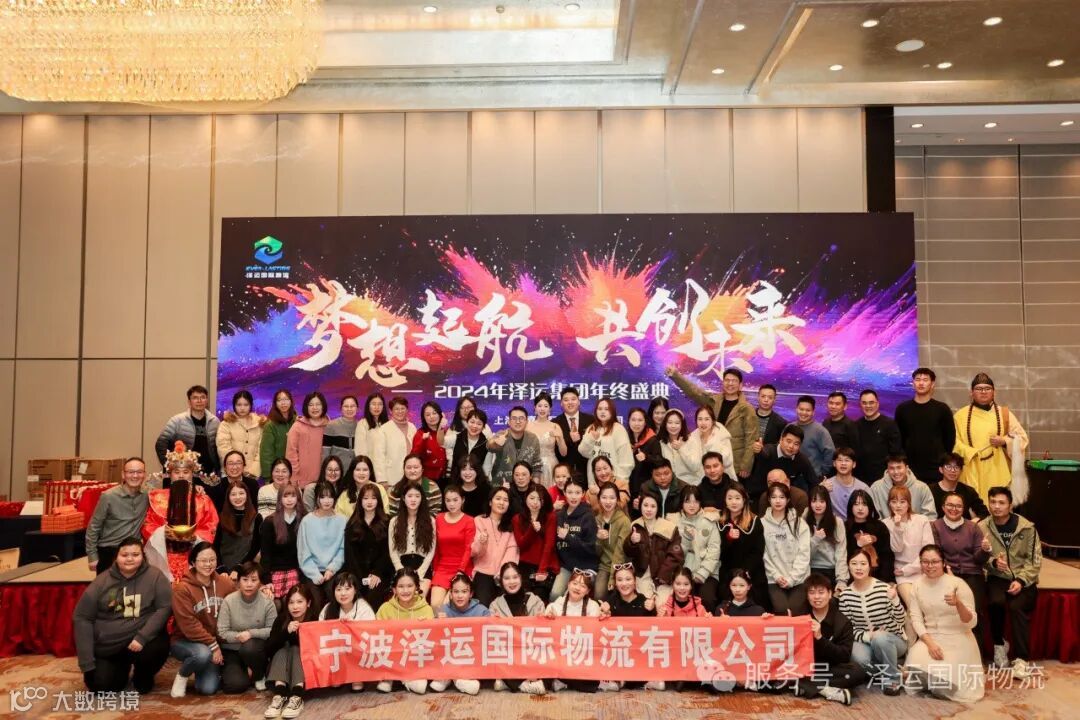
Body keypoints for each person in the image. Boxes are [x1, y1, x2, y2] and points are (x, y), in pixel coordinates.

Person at [74, 537, 172, 694]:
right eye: (124, 555)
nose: (130, 559)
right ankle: (121, 668)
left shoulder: (155, 577)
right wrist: (86, 661)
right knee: (101, 686)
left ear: (143, 556)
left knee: (157, 645)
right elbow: (82, 617)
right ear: (116, 557)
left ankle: (143, 675)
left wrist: (142, 637)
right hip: (110, 645)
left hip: (140, 642)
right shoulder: (101, 581)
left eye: (135, 554)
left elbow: (165, 607)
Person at [904, 544, 985, 704]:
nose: (930, 566)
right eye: (925, 562)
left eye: (934, 561)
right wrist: (930, 644)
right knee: (915, 661)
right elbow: (916, 619)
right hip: (931, 638)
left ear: (943, 563)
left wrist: (958, 604)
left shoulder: (958, 584)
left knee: (947, 682)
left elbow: (971, 622)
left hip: (958, 637)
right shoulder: (917, 585)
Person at [980, 485, 1041, 677]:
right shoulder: (982, 527)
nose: (996, 506)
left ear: (1010, 505)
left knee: (1017, 607)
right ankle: (999, 645)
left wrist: (1021, 581)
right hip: (998, 577)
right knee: (995, 602)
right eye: (993, 502)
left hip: (1024, 578)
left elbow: (1035, 561)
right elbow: (979, 559)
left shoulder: (1027, 528)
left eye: (1001, 502)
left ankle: (1022, 659)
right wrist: (993, 562)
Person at [142, 441, 220, 583]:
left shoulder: (202, 499)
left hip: (192, 555)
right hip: (165, 555)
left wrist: (194, 536)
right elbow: (149, 524)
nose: (181, 476)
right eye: (176, 472)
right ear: (170, 474)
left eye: (186, 472)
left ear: (192, 474)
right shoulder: (157, 497)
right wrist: (163, 532)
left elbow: (211, 525)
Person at [666, 365, 759, 480]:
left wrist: (746, 465)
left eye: (734, 381)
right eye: (727, 380)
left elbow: (751, 439)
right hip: (711, 462)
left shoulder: (746, 409)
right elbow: (695, 392)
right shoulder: (714, 401)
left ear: (740, 385)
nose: (730, 383)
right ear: (723, 382)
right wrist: (676, 376)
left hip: (734, 463)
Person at [837, 549, 908, 696]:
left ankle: (892, 680)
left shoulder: (884, 588)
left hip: (893, 640)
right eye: (854, 563)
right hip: (865, 642)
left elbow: (901, 620)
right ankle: (896, 669)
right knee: (856, 656)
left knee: (880, 638)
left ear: (870, 566)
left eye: (863, 564)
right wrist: (867, 636)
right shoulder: (845, 596)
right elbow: (847, 629)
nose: (858, 568)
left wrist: (895, 600)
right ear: (848, 566)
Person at [170, 542, 236, 697]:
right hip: (186, 641)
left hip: (213, 642)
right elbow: (189, 625)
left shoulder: (225, 583)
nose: (208, 564)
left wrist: (263, 588)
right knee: (202, 654)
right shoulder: (182, 589)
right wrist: (213, 646)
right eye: (203, 560)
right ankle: (182, 676)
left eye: (212, 560)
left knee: (208, 689)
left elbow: (240, 599)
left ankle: (213, 669)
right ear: (193, 562)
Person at [933, 490, 992, 660]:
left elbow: (978, 559)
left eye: (958, 506)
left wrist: (985, 550)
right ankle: (949, 656)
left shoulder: (973, 527)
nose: (954, 509)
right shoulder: (935, 526)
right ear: (943, 507)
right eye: (950, 505)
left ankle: (976, 657)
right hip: (945, 574)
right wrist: (946, 570)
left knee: (973, 613)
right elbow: (936, 553)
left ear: (963, 508)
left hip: (972, 573)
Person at [954, 374, 1029, 503]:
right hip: (971, 470)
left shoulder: (1004, 414)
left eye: (987, 388)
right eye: (979, 389)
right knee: (973, 505)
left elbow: (1022, 438)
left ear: (994, 392)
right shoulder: (960, 415)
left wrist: (1004, 441)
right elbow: (953, 442)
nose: (983, 392)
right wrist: (970, 452)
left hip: (998, 470)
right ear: (971, 393)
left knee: (997, 504)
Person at [793, 573, 866, 705]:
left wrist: (820, 638)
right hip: (804, 666)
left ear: (830, 593)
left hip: (829, 667)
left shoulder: (842, 621)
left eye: (821, 592)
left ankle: (807, 686)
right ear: (807, 596)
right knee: (784, 670)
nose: (816, 597)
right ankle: (827, 690)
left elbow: (844, 656)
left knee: (858, 672)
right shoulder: (800, 615)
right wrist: (768, 621)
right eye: (812, 592)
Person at [489, 561, 548, 695]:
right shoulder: (495, 605)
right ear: (501, 581)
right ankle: (523, 685)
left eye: (515, 577)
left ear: (521, 578)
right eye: (507, 578)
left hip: (529, 653)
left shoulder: (536, 602)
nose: (512, 582)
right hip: (508, 655)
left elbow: (542, 636)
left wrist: (543, 620)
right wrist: (494, 622)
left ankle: (508, 682)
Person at [218, 561, 277, 694]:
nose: (249, 584)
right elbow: (222, 632)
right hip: (232, 650)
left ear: (260, 582)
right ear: (238, 581)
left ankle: (259, 675)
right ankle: (244, 671)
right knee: (235, 686)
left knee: (249, 647)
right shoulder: (229, 601)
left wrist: (251, 633)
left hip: (255, 650)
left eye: (254, 580)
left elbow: (272, 630)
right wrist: (238, 637)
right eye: (245, 580)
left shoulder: (267, 602)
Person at [375, 568, 434, 695]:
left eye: (410, 586)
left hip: (415, 661)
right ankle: (390, 677)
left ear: (417, 587)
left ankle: (404, 678)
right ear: (394, 589)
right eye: (401, 586)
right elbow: (375, 635)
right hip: (390, 661)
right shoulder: (385, 608)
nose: (405, 590)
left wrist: (425, 626)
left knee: (421, 687)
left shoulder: (426, 609)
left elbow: (432, 640)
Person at [87, 457, 150, 574]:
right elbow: (94, 527)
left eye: (139, 472)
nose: (135, 476)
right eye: (131, 472)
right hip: (109, 551)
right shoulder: (108, 496)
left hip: (134, 551)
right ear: (123, 475)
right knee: (108, 585)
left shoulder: (147, 495)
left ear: (144, 475)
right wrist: (92, 556)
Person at [264, 584, 317, 718]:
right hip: (280, 671)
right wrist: (286, 632)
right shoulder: (281, 619)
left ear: (308, 603)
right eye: (291, 602)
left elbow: (317, 650)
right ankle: (279, 695)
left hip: (305, 672)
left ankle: (297, 697)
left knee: (295, 649)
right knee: (283, 649)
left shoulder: (314, 619)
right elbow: (269, 649)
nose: (295, 606)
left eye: (300, 602)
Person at [544, 569, 601, 694]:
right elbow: (547, 627)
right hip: (562, 655)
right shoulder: (557, 604)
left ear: (588, 591)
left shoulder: (593, 606)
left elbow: (594, 633)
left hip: (582, 655)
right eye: (574, 583)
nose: (577, 588)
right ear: (568, 584)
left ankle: (563, 681)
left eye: (583, 586)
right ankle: (565, 680)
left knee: (591, 684)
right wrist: (549, 618)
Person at [317, 572, 375, 694]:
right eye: (339, 589)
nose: (343, 593)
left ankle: (357, 676)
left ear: (355, 590)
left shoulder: (363, 607)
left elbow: (371, 632)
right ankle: (337, 673)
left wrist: (351, 627)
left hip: (357, 650)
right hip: (336, 652)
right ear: (333, 592)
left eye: (347, 589)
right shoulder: (328, 609)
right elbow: (320, 632)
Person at [623, 491, 684, 609]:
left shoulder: (669, 527)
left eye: (653, 506)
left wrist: (663, 576)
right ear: (640, 506)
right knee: (645, 605)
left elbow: (676, 555)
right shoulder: (635, 525)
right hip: (643, 575)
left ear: (658, 508)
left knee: (662, 606)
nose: (649, 509)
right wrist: (632, 542)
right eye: (645, 505)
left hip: (664, 576)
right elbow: (628, 553)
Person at [895, 368, 956, 483]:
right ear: (913, 383)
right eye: (918, 379)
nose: (921, 383)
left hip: (936, 469)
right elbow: (899, 438)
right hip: (909, 468)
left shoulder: (942, 409)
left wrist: (943, 461)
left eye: (925, 380)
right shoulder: (902, 409)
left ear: (932, 384)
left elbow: (949, 439)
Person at [430, 573, 485, 695]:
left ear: (471, 593)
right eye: (456, 592)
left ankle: (454, 678)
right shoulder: (443, 610)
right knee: (436, 685)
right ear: (450, 594)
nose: (460, 596)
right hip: (448, 659)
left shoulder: (481, 610)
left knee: (473, 687)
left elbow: (490, 634)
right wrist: (437, 623)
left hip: (471, 659)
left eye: (464, 591)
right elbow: (433, 639)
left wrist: (496, 619)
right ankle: (452, 677)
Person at [761, 482, 811, 615]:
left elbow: (804, 553)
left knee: (796, 610)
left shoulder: (799, 523)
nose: (778, 501)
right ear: (769, 499)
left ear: (788, 499)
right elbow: (764, 554)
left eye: (782, 497)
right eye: (774, 497)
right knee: (781, 610)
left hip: (799, 578)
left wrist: (792, 578)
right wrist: (776, 576)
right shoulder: (762, 524)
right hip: (774, 578)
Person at [717, 483, 768, 610]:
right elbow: (718, 552)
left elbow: (758, 551)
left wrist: (745, 572)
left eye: (737, 498)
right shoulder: (720, 521)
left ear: (744, 500)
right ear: (725, 501)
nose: (733, 502)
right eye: (730, 498)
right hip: (728, 573)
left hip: (751, 572)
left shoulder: (754, 521)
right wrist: (728, 539)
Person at [885, 485, 934, 613]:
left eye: (902, 501)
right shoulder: (886, 523)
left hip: (923, 570)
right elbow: (897, 549)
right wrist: (897, 527)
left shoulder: (922, 520)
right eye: (894, 501)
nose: (898, 506)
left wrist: (909, 569)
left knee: (926, 608)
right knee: (914, 606)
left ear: (909, 503)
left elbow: (928, 551)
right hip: (901, 573)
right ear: (889, 504)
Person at [343, 483, 393, 610]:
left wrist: (376, 573)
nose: (369, 502)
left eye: (373, 498)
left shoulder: (387, 522)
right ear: (360, 501)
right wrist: (359, 578)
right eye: (365, 498)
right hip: (357, 574)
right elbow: (350, 555)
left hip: (381, 573)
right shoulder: (352, 524)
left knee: (373, 596)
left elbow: (388, 551)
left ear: (379, 500)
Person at [670, 485, 721, 610]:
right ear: (681, 503)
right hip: (683, 572)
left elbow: (714, 550)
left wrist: (702, 573)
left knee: (707, 599)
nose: (692, 505)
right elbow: (674, 551)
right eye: (687, 501)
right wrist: (687, 540)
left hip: (708, 572)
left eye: (696, 501)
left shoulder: (709, 521)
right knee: (682, 600)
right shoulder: (673, 521)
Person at [156, 384, 220, 476]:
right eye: (195, 398)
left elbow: (218, 448)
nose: (199, 401)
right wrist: (168, 465)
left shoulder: (215, 421)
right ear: (189, 401)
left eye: (203, 397)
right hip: (182, 474)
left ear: (207, 401)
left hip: (208, 474)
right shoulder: (177, 420)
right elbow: (161, 443)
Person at [429, 484, 476, 610]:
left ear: (462, 500)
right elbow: (436, 547)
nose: (452, 504)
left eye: (455, 500)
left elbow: (468, 548)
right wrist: (435, 568)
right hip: (442, 568)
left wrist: (461, 571)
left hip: (462, 568)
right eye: (448, 500)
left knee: (447, 606)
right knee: (435, 605)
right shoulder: (439, 518)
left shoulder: (469, 520)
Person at [551, 477, 598, 600]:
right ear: (564, 493)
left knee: (575, 595)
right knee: (555, 594)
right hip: (566, 566)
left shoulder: (588, 516)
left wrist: (568, 537)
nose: (573, 496)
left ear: (583, 493)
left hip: (585, 566)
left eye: (577, 492)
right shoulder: (559, 515)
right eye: (570, 492)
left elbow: (591, 548)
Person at [296, 481, 346, 599]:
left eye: (330, 497)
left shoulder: (342, 520)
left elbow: (342, 550)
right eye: (322, 497)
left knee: (333, 594)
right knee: (315, 599)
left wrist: (331, 569)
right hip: (311, 570)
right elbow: (303, 552)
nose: (327, 501)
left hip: (335, 570)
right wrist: (314, 574)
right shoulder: (307, 521)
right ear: (317, 498)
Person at [472, 486, 520, 605]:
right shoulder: (479, 520)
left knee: (504, 607)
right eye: (498, 498)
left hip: (503, 574)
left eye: (505, 500)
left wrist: (501, 574)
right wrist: (481, 542)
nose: (501, 503)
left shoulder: (511, 526)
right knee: (483, 605)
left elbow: (512, 552)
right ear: (490, 502)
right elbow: (474, 552)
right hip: (482, 572)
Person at [388, 482, 436, 597]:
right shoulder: (394, 521)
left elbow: (431, 551)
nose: (413, 500)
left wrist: (419, 573)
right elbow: (393, 551)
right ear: (403, 498)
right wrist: (401, 572)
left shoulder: (430, 520)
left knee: (418, 597)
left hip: (422, 566)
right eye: (410, 496)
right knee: (402, 597)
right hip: (401, 565)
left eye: (417, 496)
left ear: (422, 499)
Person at [513, 483, 559, 600]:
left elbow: (549, 545)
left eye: (539, 499)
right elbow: (521, 545)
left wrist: (541, 570)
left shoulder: (550, 516)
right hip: (525, 564)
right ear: (526, 498)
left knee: (539, 597)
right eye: (532, 498)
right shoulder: (517, 518)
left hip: (545, 564)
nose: (535, 502)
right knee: (523, 597)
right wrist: (532, 529)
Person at [259, 484, 304, 602]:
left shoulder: (304, 519)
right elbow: (265, 554)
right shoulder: (269, 522)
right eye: (285, 496)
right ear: (280, 499)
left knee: (291, 601)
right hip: (275, 572)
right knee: (274, 603)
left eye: (293, 496)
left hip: (297, 571)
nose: (289, 500)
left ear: (298, 498)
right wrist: (267, 580)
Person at [578, 397, 635, 489]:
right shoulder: (592, 428)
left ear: (612, 411)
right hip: (594, 481)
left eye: (606, 409)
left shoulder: (618, 429)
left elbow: (626, 461)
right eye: (600, 409)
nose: (602, 412)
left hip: (615, 482)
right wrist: (591, 438)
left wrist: (619, 482)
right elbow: (583, 452)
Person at [749, 424, 817, 500]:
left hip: (783, 498)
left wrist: (814, 498)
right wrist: (759, 450)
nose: (791, 446)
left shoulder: (801, 459)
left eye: (796, 444)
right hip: (759, 496)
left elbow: (813, 482)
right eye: (788, 441)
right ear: (781, 439)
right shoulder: (770, 450)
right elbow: (763, 454)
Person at [845, 489, 896, 583]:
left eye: (864, 504)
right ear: (850, 507)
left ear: (870, 506)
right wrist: (858, 544)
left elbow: (887, 556)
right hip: (852, 577)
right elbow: (843, 556)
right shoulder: (845, 527)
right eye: (856, 504)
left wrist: (883, 580)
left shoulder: (879, 526)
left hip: (878, 576)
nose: (860, 508)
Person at [213, 480, 262, 577]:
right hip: (223, 570)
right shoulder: (222, 517)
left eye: (241, 493)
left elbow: (255, 548)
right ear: (228, 497)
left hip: (246, 569)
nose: (238, 497)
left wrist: (239, 568)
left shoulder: (256, 518)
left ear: (247, 495)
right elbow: (216, 546)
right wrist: (221, 568)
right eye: (233, 494)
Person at [854, 389, 903, 486]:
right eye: (864, 403)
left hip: (884, 480)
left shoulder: (889, 424)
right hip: (860, 480)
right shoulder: (856, 425)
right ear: (860, 405)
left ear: (877, 404)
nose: (868, 406)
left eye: (871, 402)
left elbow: (895, 452)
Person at [805, 486, 849, 588]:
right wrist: (815, 539)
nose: (818, 505)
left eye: (822, 501)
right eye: (814, 501)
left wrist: (842, 580)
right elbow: (804, 554)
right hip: (809, 569)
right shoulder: (804, 520)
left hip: (831, 569)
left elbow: (841, 552)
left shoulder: (837, 522)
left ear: (827, 503)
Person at [593, 481, 631, 601]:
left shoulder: (624, 521)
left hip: (621, 565)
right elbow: (596, 553)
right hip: (604, 565)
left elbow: (620, 552)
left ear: (617, 499)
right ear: (599, 499)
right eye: (604, 497)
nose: (608, 502)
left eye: (612, 498)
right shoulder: (596, 520)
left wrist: (612, 578)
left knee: (616, 595)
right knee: (598, 596)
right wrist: (599, 539)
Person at [868, 454, 937, 520]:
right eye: (891, 468)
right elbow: (873, 516)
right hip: (885, 527)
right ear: (887, 470)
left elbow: (930, 516)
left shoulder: (922, 487)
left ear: (906, 468)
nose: (896, 472)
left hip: (917, 527)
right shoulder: (876, 488)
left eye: (899, 467)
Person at [488, 405, 543, 487]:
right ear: (509, 421)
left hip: (525, 486)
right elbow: (489, 446)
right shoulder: (502, 434)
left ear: (527, 422)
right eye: (514, 418)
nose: (518, 421)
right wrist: (497, 444)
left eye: (521, 418)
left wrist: (535, 487)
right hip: (502, 484)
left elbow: (537, 466)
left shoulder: (532, 438)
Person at [216, 390, 265, 479]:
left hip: (251, 473)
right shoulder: (226, 424)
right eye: (239, 405)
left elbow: (261, 449)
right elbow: (223, 448)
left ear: (251, 405)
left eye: (246, 405)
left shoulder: (259, 424)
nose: (242, 408)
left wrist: (253, 470)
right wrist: (236, 467)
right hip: (230, 471)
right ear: (234, 405)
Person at [285, 392, 329, 489]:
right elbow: (291, 454)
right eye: (311, 405)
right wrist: (294, 477)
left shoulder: (329, 426)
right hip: (301, 481)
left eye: (318, 404)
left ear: (323, 406)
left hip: (325, 481)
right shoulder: (297, 426)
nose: (314, 408)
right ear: (306, 407)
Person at [372, 396, 417, 490]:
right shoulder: (384, 429)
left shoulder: (412, 427)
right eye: (396, 409)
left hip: (412, 476)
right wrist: (382, 479)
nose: (400, 411)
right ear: (391, 411)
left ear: (407, 409)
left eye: (402, 408)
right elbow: (378, 457)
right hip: (391, 478)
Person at [684, 405, 736, 483]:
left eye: (707, 419)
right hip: (702, 482)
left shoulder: (721, 435)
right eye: (700, 419)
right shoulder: (693, 438)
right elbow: (692, 465)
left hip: (724, 480)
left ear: (713, 421)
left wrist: (711, 445)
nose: (703, 423)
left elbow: (728, 461)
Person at [930, 453, 989, 520]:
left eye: (956, 467)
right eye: (948, 467)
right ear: (941, 469)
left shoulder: (968, 491)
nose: (953, 470)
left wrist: (974, 522)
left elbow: (984, 513)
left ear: (961, 471)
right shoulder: (930, 491)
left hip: (964, 526)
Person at [553, 386, 596, 479]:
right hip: (564, 473)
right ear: (561, 403)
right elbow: (556, 450)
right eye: (566, 400)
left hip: (587, 470)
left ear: (579, 401)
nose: (570, 402)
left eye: (573, 399)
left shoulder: (590, 420)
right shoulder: (555, 423)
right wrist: (570, 440)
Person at [528, 391, 567, 487]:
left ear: (550, 409)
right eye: (539, 406)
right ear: (535, 408)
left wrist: (560, 437)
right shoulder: (528, 426)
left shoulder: (555, 426)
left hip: (551, 466)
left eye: (546, 406)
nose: (542, 409)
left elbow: (563, 453)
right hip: (532, 466)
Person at [821, 447, 869, 521]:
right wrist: (821, 490)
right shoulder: (826, 485)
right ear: (834, 463)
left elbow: (870, 512)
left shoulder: (863, 488)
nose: (843, 463)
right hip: (835, 525)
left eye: (847, 460)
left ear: (854, 464)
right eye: (840, 460)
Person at [656, 409, 701, 486]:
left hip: (690, 484)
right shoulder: (662, 443)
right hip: (670, 485)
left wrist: (681, 449)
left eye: (677, 423)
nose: (673, 426)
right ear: (665, 424)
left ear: (682, 425)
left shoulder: (691, 441)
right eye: (670, 422)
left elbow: (695, 467)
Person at [794, 396, 835, 479]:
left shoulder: (820, 430)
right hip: (791, 475)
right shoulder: (789, 427)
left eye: (808, 410)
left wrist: (822, 472)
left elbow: (830, 452)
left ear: (813, 412)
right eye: (801, 409)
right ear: (796, 409)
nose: (804, 413)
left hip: (812, 477)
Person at [260, 390, 296, 479]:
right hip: (278, 473)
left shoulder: (298, 422)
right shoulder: (270, 425)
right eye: (279, 400)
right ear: (275, 403)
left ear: (291, 401)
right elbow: (266, 453)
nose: (283, 403)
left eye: (286, 399)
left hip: (296, 470)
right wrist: (269, 476)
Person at [626, 407, 661, 499]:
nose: (636, 423)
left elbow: (660, 462)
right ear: (628, 421)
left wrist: (646, 458)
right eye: (633, 420)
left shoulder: (652, 440)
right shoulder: (625, 439)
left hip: (647, 488)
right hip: (627, 486)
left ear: (645, 422)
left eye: (640, 420)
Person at [411, 400, 448, 485]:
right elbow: (414, 456)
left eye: (434, 413)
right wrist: (423, 440)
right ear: (423, 418)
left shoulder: (447, 431)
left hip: (446, 477)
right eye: (428, 415)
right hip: (426, 478)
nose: (431, 417)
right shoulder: (420, 433)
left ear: (440, 414)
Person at [449, 408, 491, 482]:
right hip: (456, 481)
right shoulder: (457, 438)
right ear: (467, 422)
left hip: (477, 483)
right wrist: (441, 427)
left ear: (483, 427)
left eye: (479, 424)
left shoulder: (486, 444)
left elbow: (486, 469)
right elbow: (441, 442)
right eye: (472, 422)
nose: (474, 426)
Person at [218, 449, 261, 513]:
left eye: (238, 463)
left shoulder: (252, 484)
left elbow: (255, 508)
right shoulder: (218, 485)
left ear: (244, 466)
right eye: (230, 463)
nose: (235, 467)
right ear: (225, 467)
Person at [822, 392, 860, 465]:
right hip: (827, 465)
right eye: (831, 403)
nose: (833, 406)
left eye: (837, 404)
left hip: (843, 466)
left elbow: (856, 451)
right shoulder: (825, 422)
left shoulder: (850, 425)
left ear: (845, 406)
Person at [322, 395, 360, 467]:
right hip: (337, 470)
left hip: (356, 470)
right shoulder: (331, 425)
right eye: (346, 406)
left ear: (357, 409)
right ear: (341, 409)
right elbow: (325, 452)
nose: (349, 409)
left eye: (352, 406)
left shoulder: (360, 426)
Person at [452, 453, 492, 518]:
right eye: (464, 469)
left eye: (471, 469)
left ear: (477, 471)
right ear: (459, 472)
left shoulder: (486, 490)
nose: (467, 473)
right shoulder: (453, 490)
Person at [697, 451, 733, 517]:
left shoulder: (734, 487)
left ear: (722, 467)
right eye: (708, 467)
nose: (712, 470)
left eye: (715, 466)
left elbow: (743, 510)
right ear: (704, 469)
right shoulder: (698, 490)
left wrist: (719, 513)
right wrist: (701, 511)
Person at [355, 392, 389, 459]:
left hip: (386, 464)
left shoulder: (388, 424)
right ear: (368, 406)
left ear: (383, 407)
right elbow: (360, 450)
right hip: (370, 463)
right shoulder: (362, 424)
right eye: (373, 404)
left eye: (380, 404)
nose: (377, 407)